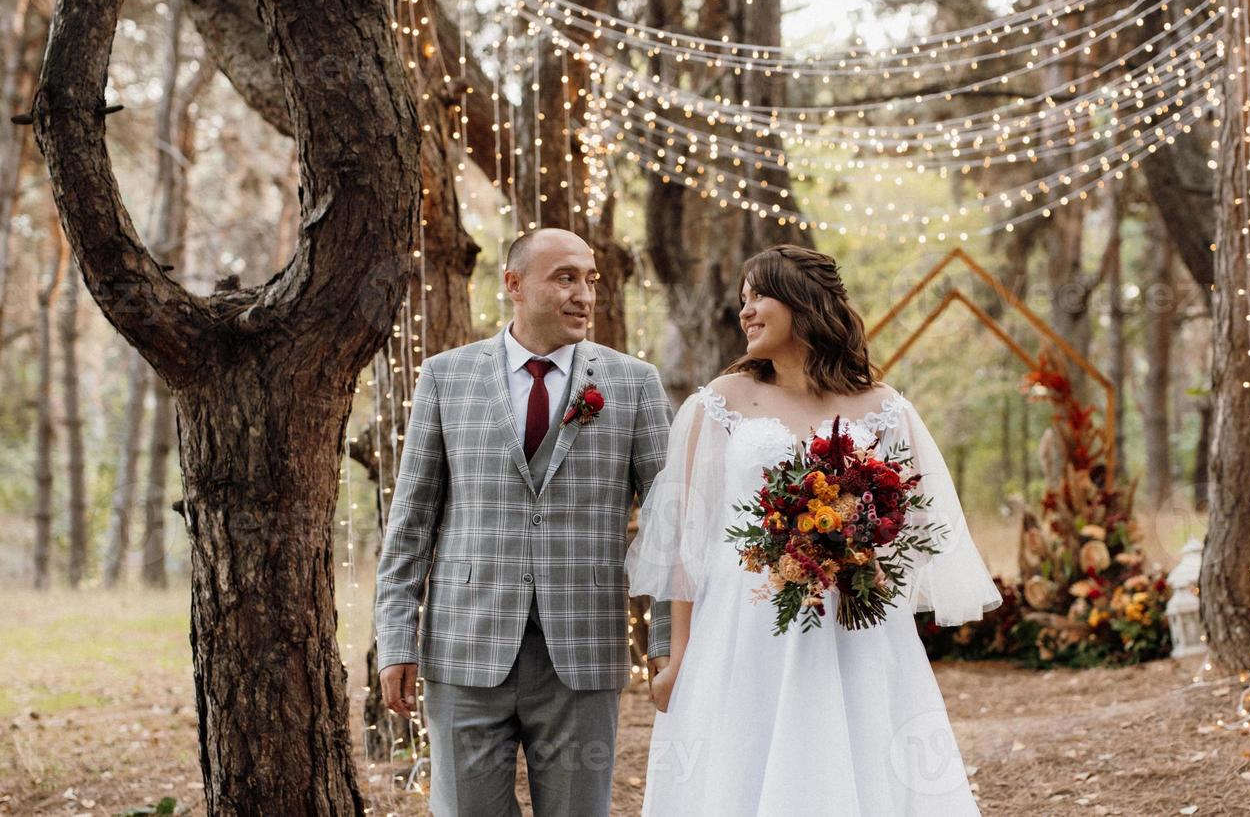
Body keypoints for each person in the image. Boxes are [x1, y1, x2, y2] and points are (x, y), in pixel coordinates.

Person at [625, 244, 1003, 816]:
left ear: (802, 303)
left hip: (853, 628)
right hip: (743, 627)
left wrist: (860, 554)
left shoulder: (883, 408)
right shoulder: (721, 403)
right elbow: (688, 541)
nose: (746, 312)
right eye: (742, 301)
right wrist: (677, 657)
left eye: (760, 296)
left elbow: (914, 524)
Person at [374, 227, 674, 817]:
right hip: (464, 647)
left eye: (590, 279)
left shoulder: (634, 385)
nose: (584, 294)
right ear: (513, 284)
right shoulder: (445, 378)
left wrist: (666, 640)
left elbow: (670, 530)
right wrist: (394, 639)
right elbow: (411, 521)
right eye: (564, 277)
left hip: (582, 650)